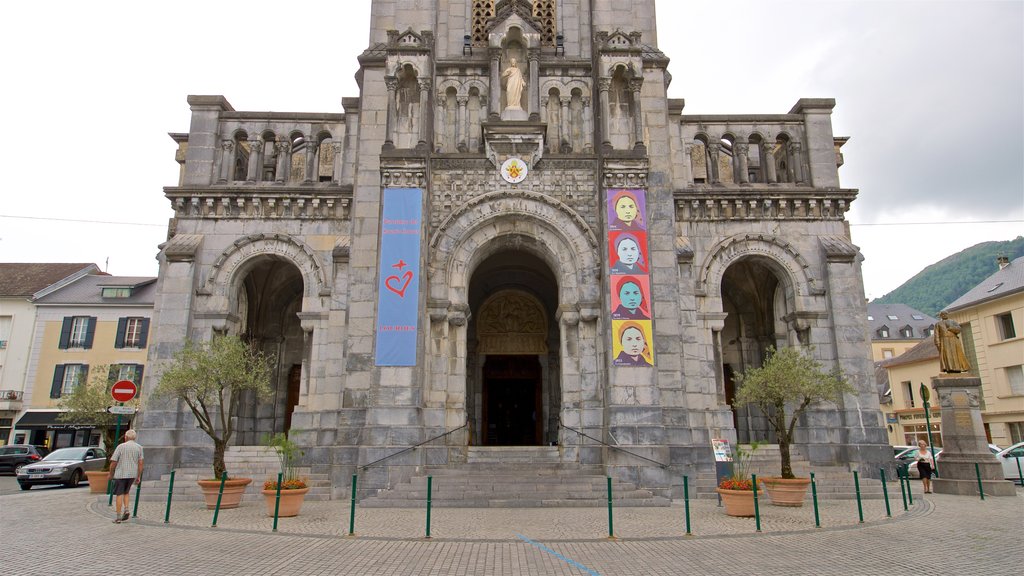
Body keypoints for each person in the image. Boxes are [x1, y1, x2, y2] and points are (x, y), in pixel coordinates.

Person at [108, 429, 144, 523]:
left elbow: (114, 461)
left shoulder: (121, 447)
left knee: (119, 494)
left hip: (121, 473)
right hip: (132, 474)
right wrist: (138, 476)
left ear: (126, 437)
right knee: (126, 492)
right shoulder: (139, 447)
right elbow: (140, 463)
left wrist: (111, 473)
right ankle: (127, 509)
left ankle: (118, 517)